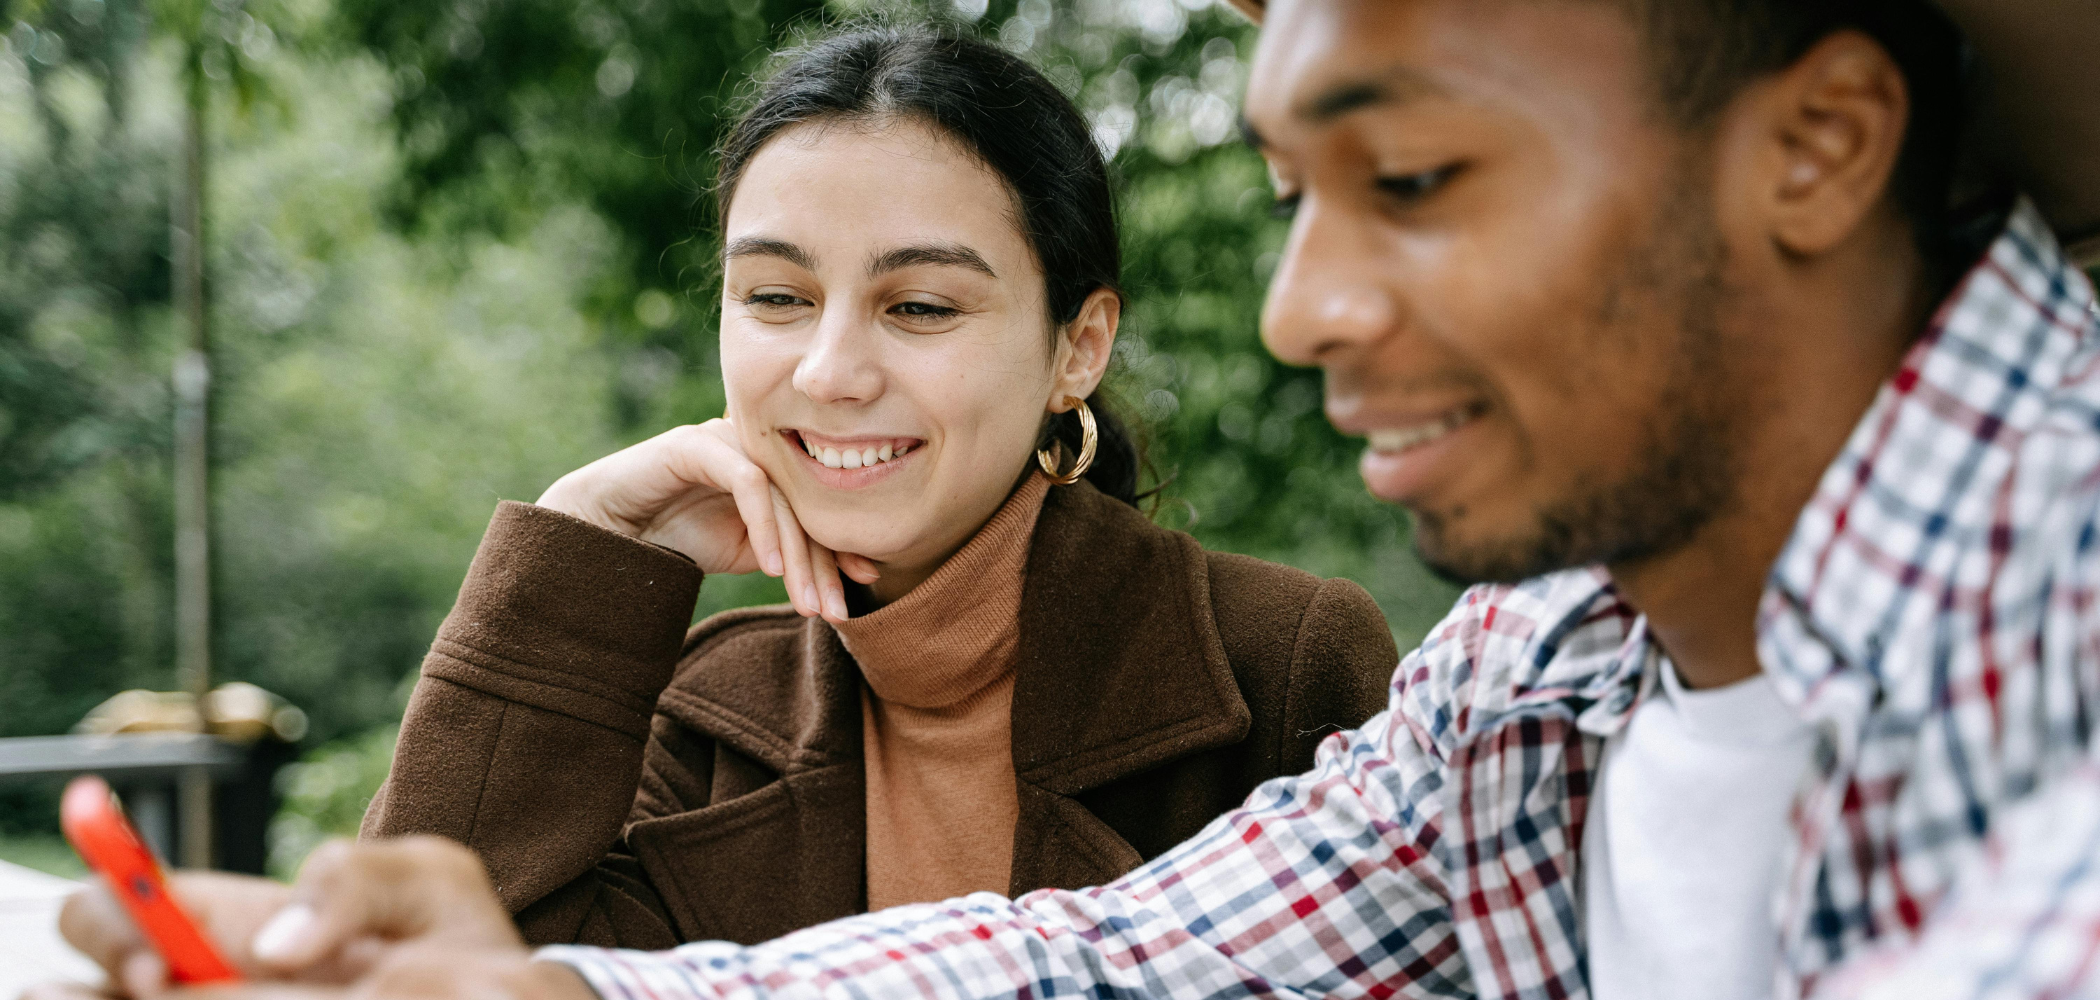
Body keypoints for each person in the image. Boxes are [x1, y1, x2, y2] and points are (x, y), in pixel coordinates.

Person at [35, 0, 2100, 997]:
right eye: (773, 297)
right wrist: (538, 984)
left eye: (1416, 180)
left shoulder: (2045, 679)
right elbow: (1097, 959)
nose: (1305, 310)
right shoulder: (1534, 677)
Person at [344, 22, 1399, 953]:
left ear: (1078, 348)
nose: (829, 372)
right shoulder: (705, 715)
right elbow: (424, 969)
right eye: (775, 296)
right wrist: (583, 546)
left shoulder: (1281, 664)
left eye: (922, 307)